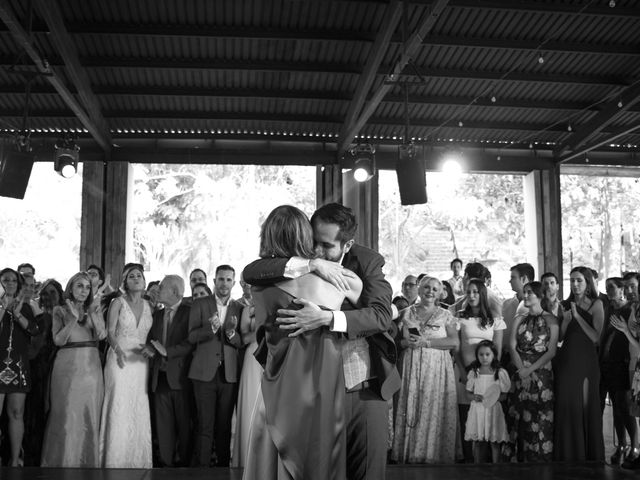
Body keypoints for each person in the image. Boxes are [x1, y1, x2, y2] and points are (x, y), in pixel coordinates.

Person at [243, 202, 400, 480]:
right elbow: (252, 271)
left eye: (326, 246)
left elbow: (382, 315)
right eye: (312, 241)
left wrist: (327, 318)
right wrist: (312, 264)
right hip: (315, 394)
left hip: (363, 387)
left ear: (347, 244)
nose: (317, 250)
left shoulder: (365, 262)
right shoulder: (299, 264)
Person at [40, 272, 107, 467]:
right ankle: (61, 462)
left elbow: (102, 335)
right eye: (80, 286)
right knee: (65, 413)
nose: (84, 290)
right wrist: (72, 319)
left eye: (87, 287)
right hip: (67, 367)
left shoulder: (94, 308)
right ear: (71, 287)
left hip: (91, 367)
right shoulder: (60, 310)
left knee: (90, 413)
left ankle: (87, 462)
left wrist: (94, 314)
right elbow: (58, 340)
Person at [391, 277, 459, 463]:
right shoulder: (404, 313)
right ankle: (410, 453)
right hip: (410, 368)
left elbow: (454, 342)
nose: (430, 291)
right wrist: (405, 342)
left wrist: (427, 342)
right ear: (419, 289)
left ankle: (433, 455)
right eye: (427, 287)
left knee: (434, 409)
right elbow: (393, 343)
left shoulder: (447, 315)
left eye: (435, 289)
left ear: (440, 293)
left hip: (437, 372)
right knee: (411, 407)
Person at [188, 265, 244, 468]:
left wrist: (230, 333)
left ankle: (222, 470)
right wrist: (210, 329)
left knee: (224, 426)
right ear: (214, 281)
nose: (224, 283)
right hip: (203, 374)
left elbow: (241, 342)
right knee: (205, 426)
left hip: (228, 375)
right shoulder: (200, 303)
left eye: (229, 280)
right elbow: (191, 336)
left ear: (234, 283)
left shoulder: (238, 307)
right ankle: (202, 471)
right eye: (221, 279)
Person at [100, 264, 154, 468]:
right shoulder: (117, 302)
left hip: (141, 362)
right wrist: (117, 349)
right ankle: (114, 458)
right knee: (119, 404)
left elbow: (153, 335)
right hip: (119, 358)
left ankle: (138, 460)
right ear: (125, 281)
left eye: (139, 275)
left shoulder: (150, 305)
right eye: (131, 276)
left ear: (144, 280)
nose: (136, 279)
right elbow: (110, 332)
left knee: (138, 405)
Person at [141, 275, 194, 467]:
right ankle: (165, 465)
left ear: (174, 291)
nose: (157, 290)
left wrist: (167, 351)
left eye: (161, 287)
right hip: (159, 378)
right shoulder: (156, 315)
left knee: (184, 427)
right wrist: (150, 348)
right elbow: (151, 340)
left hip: (182, 378)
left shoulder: (190, 313)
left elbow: (191, 343)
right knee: (163, 427)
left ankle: (185, 467)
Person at [503, 281, 558, 462]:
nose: (525, 296)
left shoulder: (551, 320)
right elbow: (511, 346)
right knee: (517, 416)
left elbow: (551, 351)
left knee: (539, 418)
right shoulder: (519, 318)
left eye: (529, 293)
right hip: (520, 371)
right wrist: (522, 370)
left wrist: (530, 370)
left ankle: (539, 461)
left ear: (540, 296)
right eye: (524, 292)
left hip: (541, 374)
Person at [554, 266, 604, 461]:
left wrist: (577, 318)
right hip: (566, 361)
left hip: (587, 363)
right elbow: (559, 338)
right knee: (567, 405)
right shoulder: (564, 304)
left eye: (579, 280)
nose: (575, 284)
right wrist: (565, 322)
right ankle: (568, 454)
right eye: (572, 280)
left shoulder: (596, 304)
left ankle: (588, 456)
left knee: (585, 407)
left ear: (588, 282)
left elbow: (596, 338)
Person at [454, 278, 506, 463]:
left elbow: (497, 349)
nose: (471, 295)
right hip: (466, 372)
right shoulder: (460, 317)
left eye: (475, 291)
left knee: (488, 415)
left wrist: (495, 373)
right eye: (468, 292)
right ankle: (470, 460)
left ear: (482, 294)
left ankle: (493, 466)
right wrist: (461, 370)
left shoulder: (495, 319)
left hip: (488, 374)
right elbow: (456, 348)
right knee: (469, 414)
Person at [0, 267, 39, 466]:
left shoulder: (24, 306)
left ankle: (15, 460)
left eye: (13, 280)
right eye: (5, 280)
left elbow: (34, 330)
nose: (10, 283)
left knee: (16, 413)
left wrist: (17, 314)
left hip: (18, 366)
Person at [23, 279, 63, 465]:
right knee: (35, 412)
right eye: (44, 293)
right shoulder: (40, 318)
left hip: (57, 368)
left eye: (52, 292)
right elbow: (32, 350)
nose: (47, 297)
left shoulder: (60, 316)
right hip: (38, 370)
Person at [602, 277, 640, 466]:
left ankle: (635, 446)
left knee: (627, 408)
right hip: (610, 364)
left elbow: (632, 336)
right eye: (606, 287)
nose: (608, 291)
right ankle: (621, 446)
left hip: (627, 364)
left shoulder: (629, 309)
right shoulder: (610, 309)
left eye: (612, 287)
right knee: (616, 408)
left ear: (620, 290)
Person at [464, 340, 510, 463]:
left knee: (494, 442)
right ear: (477, 355)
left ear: (493, 354)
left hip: (493, 410)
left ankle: (496, 469)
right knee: (478, 442)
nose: (484, 357)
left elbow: (504, 396)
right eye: (481, 354)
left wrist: (492, 398)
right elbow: (468, 394)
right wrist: (474, 397)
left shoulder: (500, 373)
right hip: (478, 411)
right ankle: (477, 468)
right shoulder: (474, 372)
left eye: (487, 354)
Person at [232, 299, 262, 468]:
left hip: (277, 355)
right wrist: (265, 328)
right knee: (250, 404)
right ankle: (247, 459)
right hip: (254, 355)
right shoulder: (248, 309)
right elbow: (244, 338)